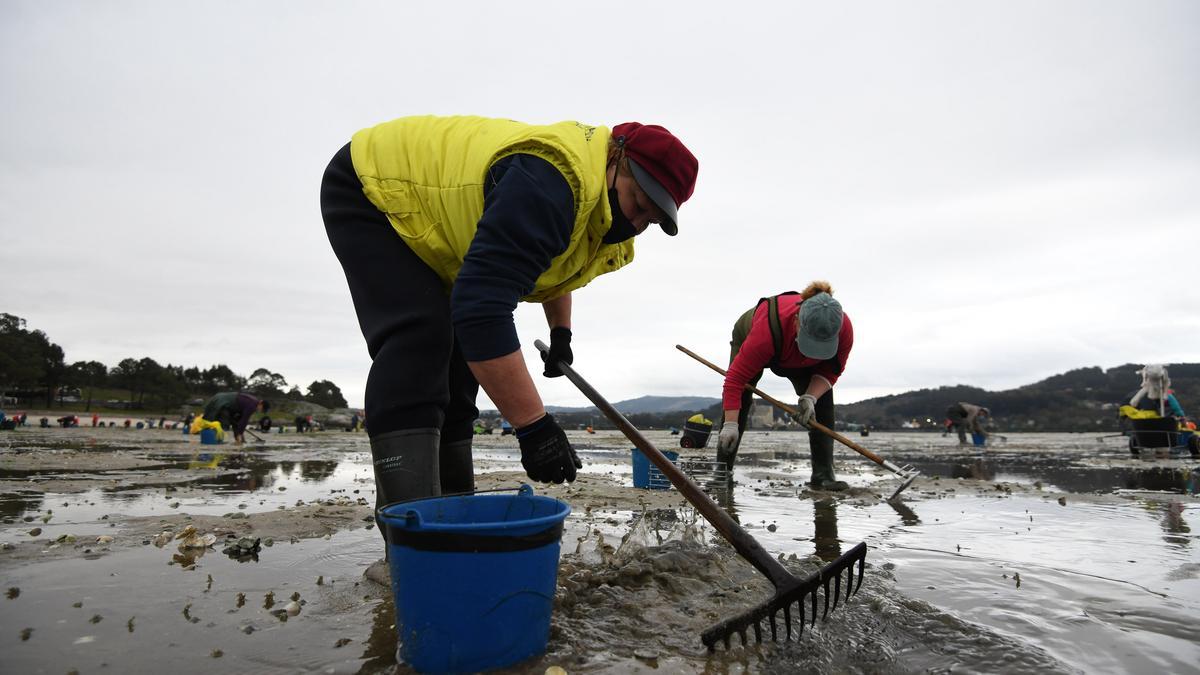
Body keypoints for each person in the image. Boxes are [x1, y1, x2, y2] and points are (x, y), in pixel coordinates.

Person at [321, 114, 699, 527]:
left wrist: (561, 333)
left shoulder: (592, 208)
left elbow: (556, 262)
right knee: (420, 339)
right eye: (638, 203)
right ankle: (411, 536)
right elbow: (481, 308)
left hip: (441, 233)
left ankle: (451, 518)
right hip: (375, 187)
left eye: (652, 220)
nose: (636, 224)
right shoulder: (551, 181)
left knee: (462, 364)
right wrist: (533, 426)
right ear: (616, 157)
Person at [716, 282, 854, 490]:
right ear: (797, 321)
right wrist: (730, 425)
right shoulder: (765, 333)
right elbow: (735, 380)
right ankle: (722, 471)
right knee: (741, 397)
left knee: (823, 405)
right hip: (761, 335)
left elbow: (831, 371)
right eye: (810, 343)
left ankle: (823, 475)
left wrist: (810, 398)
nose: (812, 352)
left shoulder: (844, 329)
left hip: (797, 360)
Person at [201, 392, 269, 445]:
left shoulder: (253, 403)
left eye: (262, 411)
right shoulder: (252, 405)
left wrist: (241, 436)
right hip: (222, 402)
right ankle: (216, 439)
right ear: (260, 403)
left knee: (235, 421)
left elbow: (239, 420)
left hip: (230, 406)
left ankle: (238, 440)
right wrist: (240, 434)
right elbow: (244, 420)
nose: (260, 411)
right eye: (262, 409)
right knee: (223, 422)